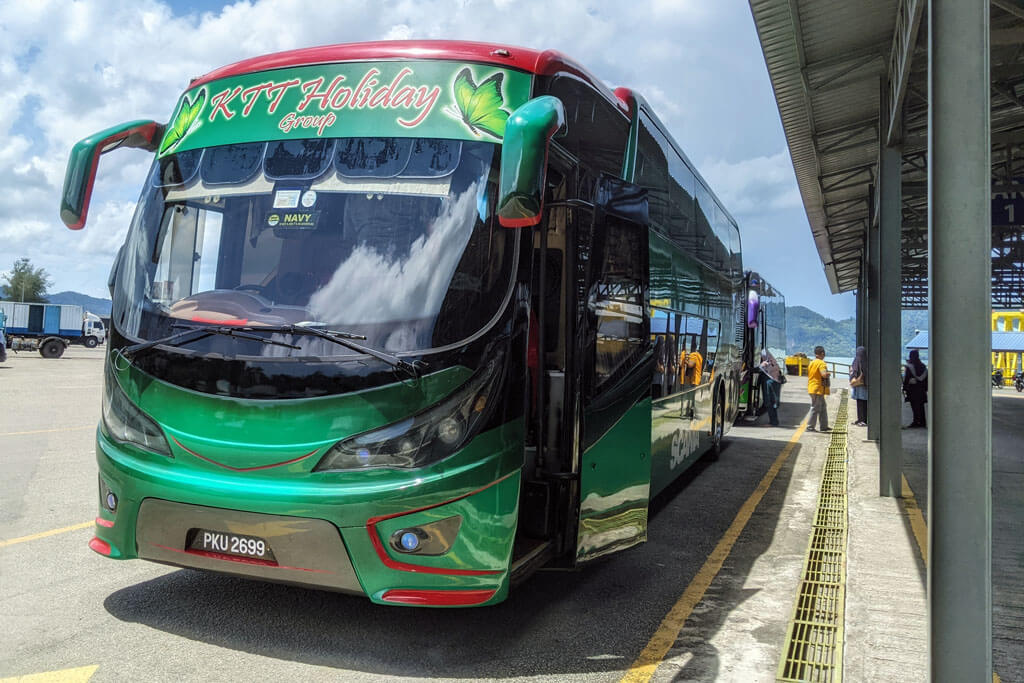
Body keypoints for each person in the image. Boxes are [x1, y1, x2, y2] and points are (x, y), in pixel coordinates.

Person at [806, 345, 830, 432]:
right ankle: (810, 427)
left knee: (823, 407)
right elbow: (823, 374)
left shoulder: (812, 363)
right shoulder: (821, 363)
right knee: (815, 408)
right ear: (822, 353)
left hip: (812, 387)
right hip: (818, 389)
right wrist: (828, 373)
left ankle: (824, 426)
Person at [903, 349, 928, 428]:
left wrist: (904, 388)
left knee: (914, 407)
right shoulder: (923, 366)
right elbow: (926, 379)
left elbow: (906, 379)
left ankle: (916, 422)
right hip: (921, 390)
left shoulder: (910, 367)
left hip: (913, 390)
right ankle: (923, 422)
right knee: (921, 406)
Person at [759, 348, 782, 426]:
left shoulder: (766, 363)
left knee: (769, 402)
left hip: (770, 382)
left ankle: (774, 422)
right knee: (773, 403)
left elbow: (759, 368)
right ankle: (774, 421)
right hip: (775, 382)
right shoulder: (772, 361)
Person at [850, 345, 868, 426]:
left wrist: (853, 379)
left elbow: (854, 370)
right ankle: (864, 420)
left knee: (860, 402)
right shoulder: (866, 360)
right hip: (865, 384)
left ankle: (860, 420)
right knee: (864, 402)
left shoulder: (857, 360)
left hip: (859, 384)